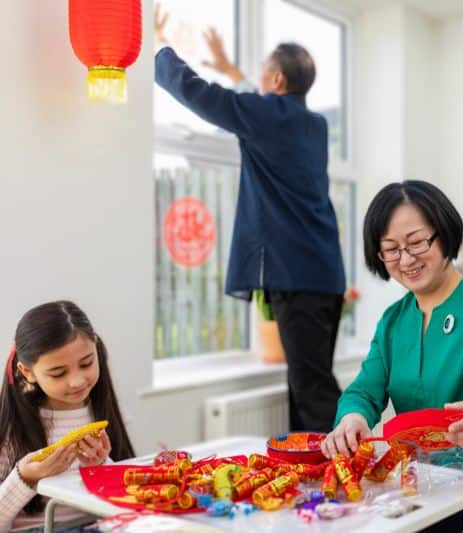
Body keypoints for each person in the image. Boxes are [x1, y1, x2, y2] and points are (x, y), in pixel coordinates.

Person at [154, 5, 346, 431]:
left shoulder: (269, 117)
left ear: (277, 80)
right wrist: (229, 67)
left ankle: (348, 481)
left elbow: (202, 95)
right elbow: (258, 107)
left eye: (263, 72)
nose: (257, 80)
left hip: (298, 277)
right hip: (323, 275)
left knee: (313, 392)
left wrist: (161, 50)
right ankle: (312, 481)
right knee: (306, 385)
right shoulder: (311, 125)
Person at [321, 180, 463, 532]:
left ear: (444, 233)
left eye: (417, 242)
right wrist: (353, 419)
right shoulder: (393, 321)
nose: (406, 259)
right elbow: (364, 391)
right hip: (418, 492)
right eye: (390, 249)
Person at [0, 301, 135, 532]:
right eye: (58, 373)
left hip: (101, 524)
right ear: (28, 373)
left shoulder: (107, 410)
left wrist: (100, 466)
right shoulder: (12, 425)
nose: (77, 381)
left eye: (87, 363)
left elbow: (121, 502)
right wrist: (25, 478)